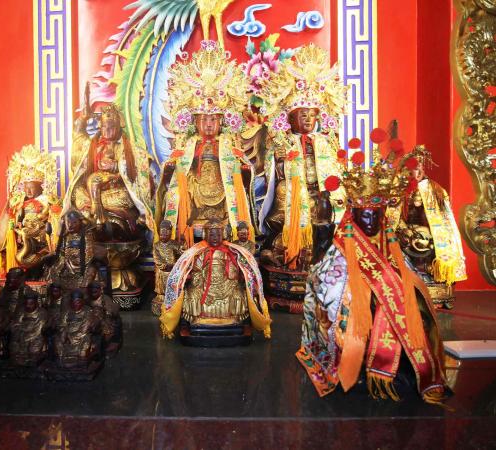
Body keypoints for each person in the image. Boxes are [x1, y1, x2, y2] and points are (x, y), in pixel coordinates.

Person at [296, 136, 448, 405]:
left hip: (388, 302)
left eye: (375, 215)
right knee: (352, 305)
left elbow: (405, 271)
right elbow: (327, 278)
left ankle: (407, 364)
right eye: (364, 215)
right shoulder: (342, 243)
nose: (370, 221)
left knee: (411, 301)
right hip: (356, 300)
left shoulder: (388, 239)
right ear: (353, 215)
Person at [156, 40, 256, 248]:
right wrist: (172, 169)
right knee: (182, 189)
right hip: (197, 192)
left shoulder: (228, 144)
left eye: (213, 119)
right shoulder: (188, 145)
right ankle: (183, 233)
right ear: (194, 122)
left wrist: (243, 172)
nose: (209, 124)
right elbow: (173, 172)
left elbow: (243, 169)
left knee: (233, 192)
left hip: (221, 191)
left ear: (222, 121)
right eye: (203, 119)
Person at [257, 44, 348, 269]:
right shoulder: (284, 141)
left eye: (311, 115)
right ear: (290, 119)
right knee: (283, 192)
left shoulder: (325, 142)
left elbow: (335, 171)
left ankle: (324, 251)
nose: (307, 119)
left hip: (319, 193)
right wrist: (278, 161)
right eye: (302, 115)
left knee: (326, 209)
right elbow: (270, 174)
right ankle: (289, 248)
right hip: (293, 197)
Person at [160, 219, 271, 339]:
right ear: (205, 235)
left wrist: (230, 281)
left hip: (226, 285)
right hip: (204, 286)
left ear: (223, 234)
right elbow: (196, 272)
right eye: (212, 235)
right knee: (192, 297)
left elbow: (234, 271)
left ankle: (234, 321)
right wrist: (199, 283)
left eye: (218, 235)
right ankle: (196, 321)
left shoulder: (231, 251)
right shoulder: (199, 251)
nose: (215, 238)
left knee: (238, 296)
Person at [389, 146, 467, 308]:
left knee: (426, 245)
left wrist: (427, 230)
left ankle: (434, 286)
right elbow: (393, 216)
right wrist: (404, 228)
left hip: (429, 234)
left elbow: (443, 218)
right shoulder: (399, 189)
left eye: (419, 168)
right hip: (406, 232)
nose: (416, 173)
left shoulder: (435, 190)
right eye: (412, 169)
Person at [65, 101, 153, 241]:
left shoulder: (128, 148)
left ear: (119, 126)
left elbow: (138, 174)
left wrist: (117, 168)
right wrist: (83, 119)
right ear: (100, 126)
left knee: (125, 197)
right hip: (94, 193)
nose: (107, 130)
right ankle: (94, 209)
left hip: (117, 194)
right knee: (77, 191)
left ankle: (91, 211)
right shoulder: (93, 146)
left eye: (111, 126)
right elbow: (78, 138)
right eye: (104, 126)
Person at [0, 145, 61, 275]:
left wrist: (51, 215)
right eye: (26, 188)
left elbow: (55, 219)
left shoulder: (47, 200)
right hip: (24, 236)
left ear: (40, 187)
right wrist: (15, 222)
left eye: (31, 188)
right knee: (21, 253)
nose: (28, 191)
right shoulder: (20, 202)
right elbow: (16, 218)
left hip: (41, 236)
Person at [44, 210, 105, 292]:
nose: (70, 225)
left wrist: (74, 264)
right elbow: (61, 252)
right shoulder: (65, 236)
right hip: (65, 264)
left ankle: (83, 290)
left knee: (90, 271)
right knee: (52, 269)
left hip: (81, 264)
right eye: (68, 222)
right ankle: (56, 292)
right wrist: (64, 261)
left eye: (74, 222)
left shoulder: (87, 235)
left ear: (80, 222)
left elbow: (88, 254)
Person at [53, 289, 100, 368]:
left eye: (78, 302)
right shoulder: (66, 311)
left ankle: (81, 359)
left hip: (81, 337)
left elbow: (84, 329)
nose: (75, 304)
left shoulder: (87, 311)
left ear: (82, 302)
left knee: (86, 342)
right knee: (57, 340)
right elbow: (62, 325)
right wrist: (64, 334)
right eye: (73, 302)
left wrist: (71, 337)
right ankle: (61, 358)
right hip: (66, 336)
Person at [151, 220, 183, 315]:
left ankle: (172, 297)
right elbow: (156, 257)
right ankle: (161, 296)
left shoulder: (174, 244)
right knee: (161, 285)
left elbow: (181, 253)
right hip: (162, 270)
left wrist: (182, 245)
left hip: (173, 269)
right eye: (162, 234)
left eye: (166, 234)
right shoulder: (156, 245)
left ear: (170, 234)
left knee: (173, 283)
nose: (164, 236)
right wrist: (163, 265)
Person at [9, 292, 48, 366]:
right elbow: (16, 324)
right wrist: (19, 335)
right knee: (14, 348)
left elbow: (37, 330)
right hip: (20, 335)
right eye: (26, 303)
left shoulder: (42, 312)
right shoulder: (21, 310)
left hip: (35, 337)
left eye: (31, 304)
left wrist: (25, 338)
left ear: (36, 303)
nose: (28, 306)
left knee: (33, 352)